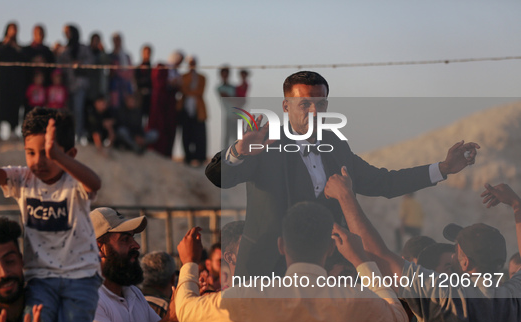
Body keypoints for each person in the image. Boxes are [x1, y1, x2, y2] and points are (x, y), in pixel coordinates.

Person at [205, 70, 480, 277]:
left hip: (329, 269)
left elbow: (383, 181)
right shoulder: (263, 144)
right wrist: (238, 152)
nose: (315, 112)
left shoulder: (335, 145)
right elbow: (220, 178)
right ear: (286, 106)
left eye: (321, 104)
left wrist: (442, 169)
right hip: (268, 271)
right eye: (305, 105)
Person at [174, 202, 409, 322]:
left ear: (281, 246)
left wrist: (189, 263)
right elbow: (398, 319)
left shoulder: (256, 295)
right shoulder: (354, 298)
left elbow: (185, 310)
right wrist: (361, 260)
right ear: (330, 248)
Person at [324, 167, 521, 322]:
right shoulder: (514, 300)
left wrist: (345, 197)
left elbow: (382, 259)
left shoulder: (444, 296)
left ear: (464, 261)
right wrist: (517, 204)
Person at [0, 108, 102, 322]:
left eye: (47, 153)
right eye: (31, 152)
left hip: (81, 279)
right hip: (41, 278)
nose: (38, 160)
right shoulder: (23, 178)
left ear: (69, 154)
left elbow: (94, 183)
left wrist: (58, 158)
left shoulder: (74, 180)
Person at [88, 207, 191, 322]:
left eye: (133, 238)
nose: (136, 245)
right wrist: (171, 320)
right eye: (125, 239)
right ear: (98, 248)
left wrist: (185, 312)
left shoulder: (133, 293)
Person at [0, 22, 26, 138]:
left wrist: (16, 48)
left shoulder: (19, 47)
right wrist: (6, 43)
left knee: (14, 107)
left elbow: (24, 58)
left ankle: (12, 130)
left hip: (15, 83)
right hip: (1, 82)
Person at [178, 56, 207, 166]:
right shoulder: (184, 77)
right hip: (185, 110)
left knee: (199, 135)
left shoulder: (202, 77)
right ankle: (188, 157)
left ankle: (200, 157)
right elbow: (183, 89)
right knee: (186, 135)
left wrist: (189, 90)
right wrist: (189, 89)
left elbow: (200, 91)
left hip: (198, 110)